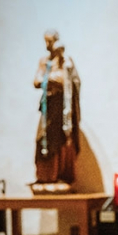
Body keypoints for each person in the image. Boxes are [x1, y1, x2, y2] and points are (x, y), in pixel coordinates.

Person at [33, 30, 81, 185]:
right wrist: (52, 79)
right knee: (42, 138)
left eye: (50, 41)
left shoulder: (65, 61)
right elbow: (37, 81)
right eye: (45, 41)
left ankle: (60, 175)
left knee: (61, 140)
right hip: (49, 106)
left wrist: (52, 79)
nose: (48, 45)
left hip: (63, 107)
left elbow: (71, 82)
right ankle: (45, 177)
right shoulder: (44, 61)